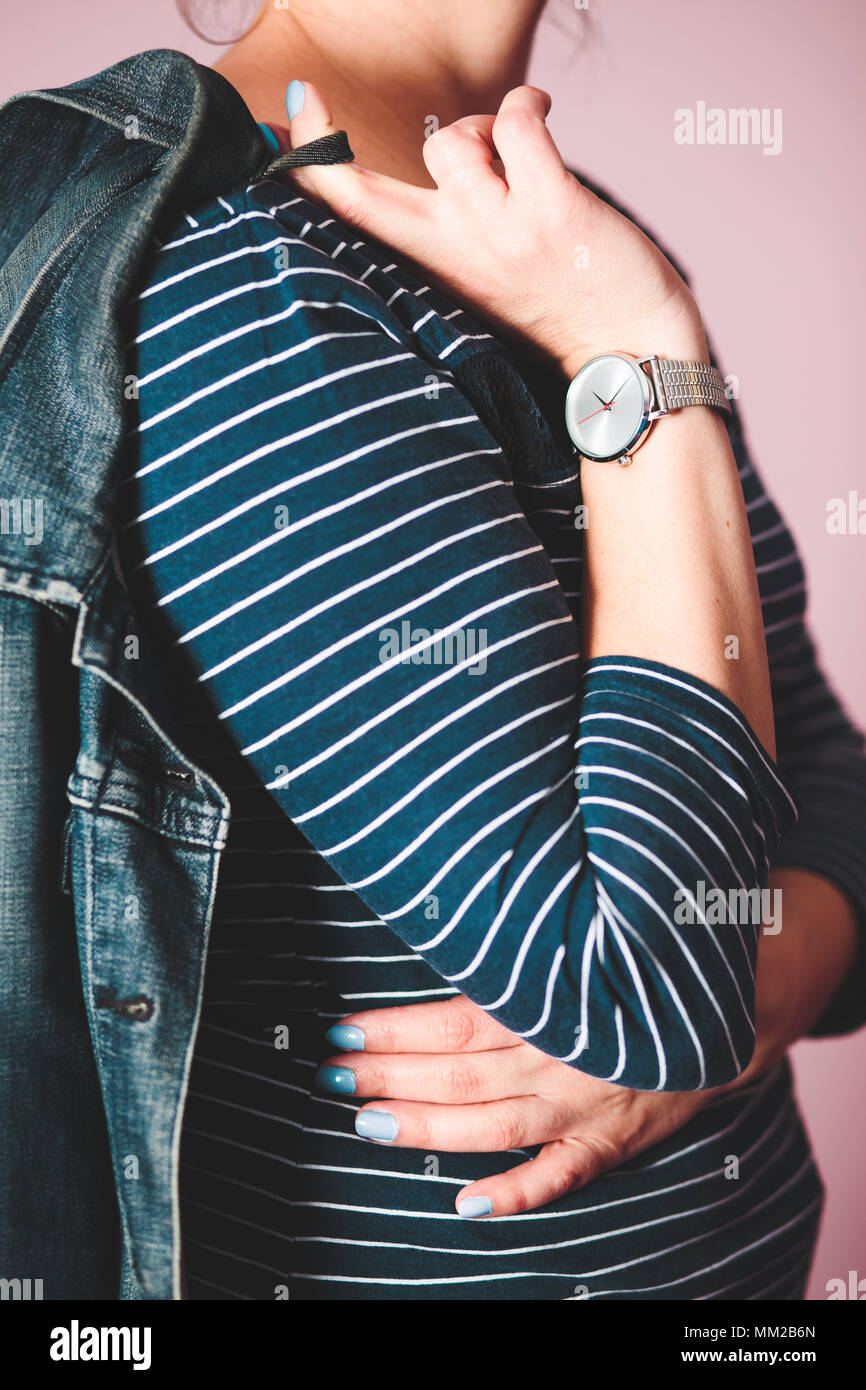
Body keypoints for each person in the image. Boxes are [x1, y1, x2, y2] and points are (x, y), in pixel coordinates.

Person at [109, 0, 866, 1299]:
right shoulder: (249, 282)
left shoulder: (566, 250)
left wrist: (714, 1008)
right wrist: (636, 350)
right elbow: (630, 985)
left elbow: (830, 795)